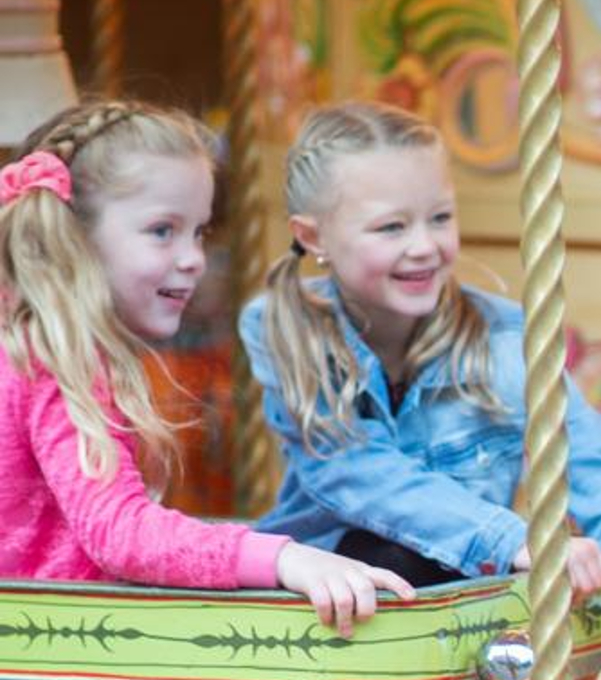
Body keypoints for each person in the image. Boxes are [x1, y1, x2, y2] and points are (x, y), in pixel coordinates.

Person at [241, 101, 601, 672]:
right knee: (387, 553)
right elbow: (357, 473)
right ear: (313, 235)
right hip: (324, 621)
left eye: (441, 218)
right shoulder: (283, 329)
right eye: (391, 227)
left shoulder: (503, 338)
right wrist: (511, 539)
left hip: (453, 621)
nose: (425, 245)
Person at [0, 101, 413, 636]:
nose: (194, 257)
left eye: (199, 232)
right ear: (75, 239)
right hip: (45, 661)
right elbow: (121, 533)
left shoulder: (30, 347)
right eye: (162, 231)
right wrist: (286, 560)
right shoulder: (55, 360)